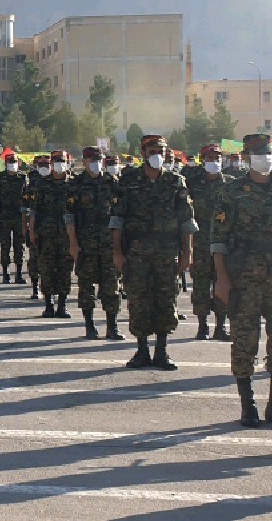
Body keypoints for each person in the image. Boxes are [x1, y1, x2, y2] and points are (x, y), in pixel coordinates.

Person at [213, 134, 272, 431]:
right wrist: (221, 278)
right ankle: (248, 406)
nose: (266, 159)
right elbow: (218, 239)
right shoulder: (231, 191)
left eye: (270, 154)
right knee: (244, 340)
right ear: (248, 158)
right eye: (260, 154)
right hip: (244, 277)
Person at [110, 135, 196, 371]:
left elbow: (186, 220)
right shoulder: (129, 181)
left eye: (161, 151)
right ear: (143, 153)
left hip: (167, 250)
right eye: (152, 151)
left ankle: (161, 350)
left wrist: (188, 252)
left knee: (166, 299)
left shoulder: (175, 181)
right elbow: (117, 219)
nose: (157, 155)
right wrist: (117, 251)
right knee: (138, 299)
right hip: (136, 251)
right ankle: (141, 350)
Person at [67, 147, 122, 340]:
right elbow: (69, 216)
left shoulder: (112, 182)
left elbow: (119, 214)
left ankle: (112, 326)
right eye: (92, 160)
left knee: (112, 284)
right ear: (84, 162)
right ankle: (89, 326)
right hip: (86, 243)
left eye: (99, 159)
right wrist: (73, 244)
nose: (96, 163)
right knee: (86, 285)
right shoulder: (76, 184)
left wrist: (119, 245)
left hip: (109, 242)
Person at [184, 144, 233, 340]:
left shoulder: (230, 184)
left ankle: (220, 326)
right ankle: (202, 326)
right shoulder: (193, 184)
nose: (214, 161)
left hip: (224, 242)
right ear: (203, 160)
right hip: (200, 242)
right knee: (201, 285)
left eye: (217, 158)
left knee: (223, 282)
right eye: (210, 158)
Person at [25, 151, 75, 319]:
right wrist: (32, 231)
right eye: (57, 161)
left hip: (67, 234)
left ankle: (62, 305)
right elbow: (34, 210)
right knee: (46, 268)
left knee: (65, 270)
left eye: (62, 161)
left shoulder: (73, 184)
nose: (60, 164)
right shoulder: (42, 184)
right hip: (46, 234)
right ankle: (48, 305)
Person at [0, 152, 29, 284]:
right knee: (5, 245)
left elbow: (27, 199)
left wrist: (27, 219)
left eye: (14, 162)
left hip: (19, 217)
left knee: (19, 246)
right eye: (9, 162)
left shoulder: (23, 178)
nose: (12, 164)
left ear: (18, 163)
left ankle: (18, 274)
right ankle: (5, 273)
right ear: (5, 163)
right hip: (4, 216)